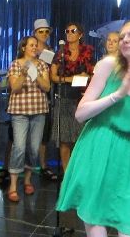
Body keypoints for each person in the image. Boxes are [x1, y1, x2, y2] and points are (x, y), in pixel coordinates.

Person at [56, 21, 130, 237]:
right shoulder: (108, 65)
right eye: (123, 36)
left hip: (129, 155)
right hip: (97, 144)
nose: (125, 40)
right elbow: (81, 114)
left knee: (129, 225)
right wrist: (116, 95)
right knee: (95, 219)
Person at [6, 35, 51, 202]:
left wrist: (35, 73)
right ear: (23, 48)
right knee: (19, 147)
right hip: (20, 111)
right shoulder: (15, 64)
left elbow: (47, 87)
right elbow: (15, 88)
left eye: (36, 45)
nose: (34, 47)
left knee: (33, 148)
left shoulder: (42, 65)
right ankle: (13, 185)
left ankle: (27, 180)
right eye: (31, 45)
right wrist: (24, 73)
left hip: (39, 111)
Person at [51, 22, 95, 172]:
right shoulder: (60, 54)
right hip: (64, 97)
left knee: (79, 137)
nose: (69, 33)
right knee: (64, 139)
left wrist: (85, 77)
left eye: (73, 30)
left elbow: (93, 74)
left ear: (80, 34)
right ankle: (66, 173)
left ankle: (78, 171)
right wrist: (71, 79)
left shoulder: (88, 52)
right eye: (67, 31)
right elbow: (53, 76)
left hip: (81, 99)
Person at [34, 18, 58, 182]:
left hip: (45, 94)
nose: (44, 34)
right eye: (40, 31)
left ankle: (43, 166)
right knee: (16, 137)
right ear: (35, 33)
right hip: (26, 93)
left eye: (46, 31)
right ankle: (8, 168)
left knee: (44, 134)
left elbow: (50, 73)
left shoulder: (50, 50)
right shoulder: (28, 47)